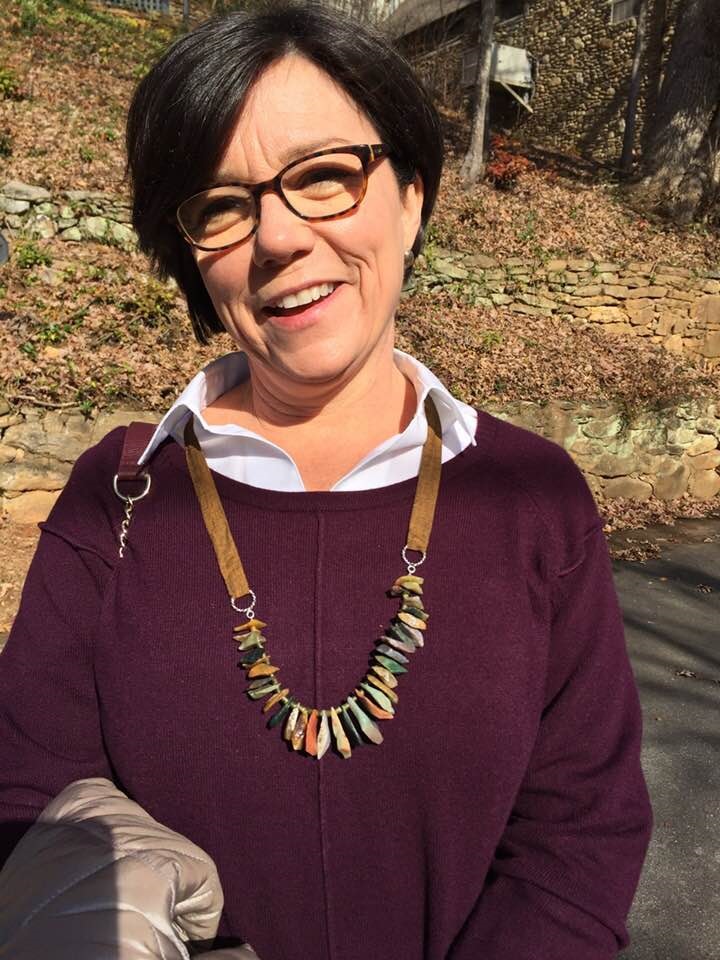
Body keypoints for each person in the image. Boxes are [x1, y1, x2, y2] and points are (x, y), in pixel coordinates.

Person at [0, 4, 652, 958]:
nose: (278, 237)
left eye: (322, 176)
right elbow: (27, 790)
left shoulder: (532, 496)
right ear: (191, 255)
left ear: (411, 197)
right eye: (221, 206)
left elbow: (581, 832)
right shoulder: (121, 496)